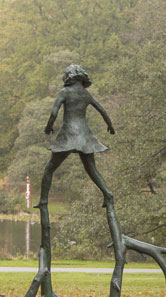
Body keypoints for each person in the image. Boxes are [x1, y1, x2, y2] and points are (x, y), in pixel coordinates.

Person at [40, 64, 116, 205]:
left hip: (68, 136)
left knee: (50, 168)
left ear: (69, 76)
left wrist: (48, 128)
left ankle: (43, 200)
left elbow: (53, 113)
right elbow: (102, 110)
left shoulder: (65, 92)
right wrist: (110, 126)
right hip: (84, 136)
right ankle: (107, 193)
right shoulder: (85, 94)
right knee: (91, 168)